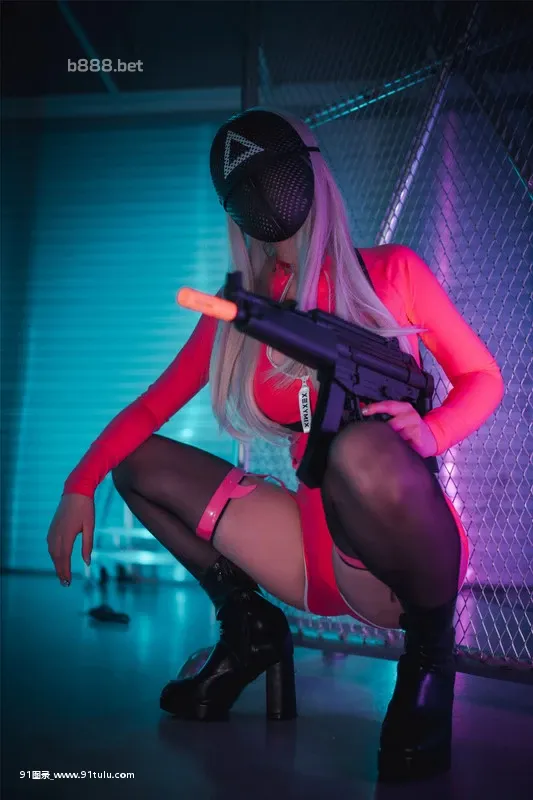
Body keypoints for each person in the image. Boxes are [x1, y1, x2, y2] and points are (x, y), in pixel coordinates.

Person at [47, 108, 504, 782]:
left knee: (358, 451)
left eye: (275, 177)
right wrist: (78, 484)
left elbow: (483, 377)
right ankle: (248, 629)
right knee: (136, 465)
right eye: (249, 188)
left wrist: (430, 431)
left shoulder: (392, 274)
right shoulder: (243, 314)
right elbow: (149, 408)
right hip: (311, 551)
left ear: (308, 173)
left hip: (404, 560)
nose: (266, 198)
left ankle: (430, 657)